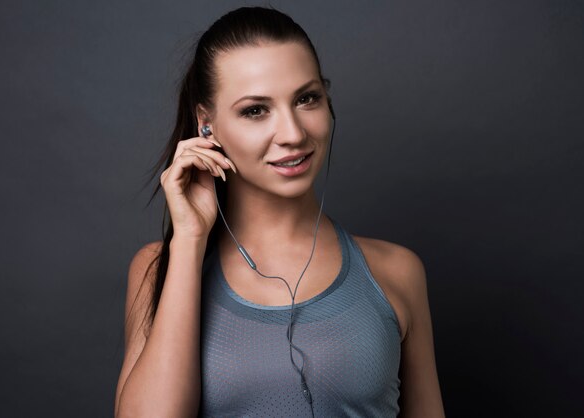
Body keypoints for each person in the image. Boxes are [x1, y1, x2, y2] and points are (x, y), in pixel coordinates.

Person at [115, 6, 445, 418]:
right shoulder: (158, 271)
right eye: (256, 110)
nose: (293, 134)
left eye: (307, 99)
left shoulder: (396, 271)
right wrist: (189, 240)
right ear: (207, 124)